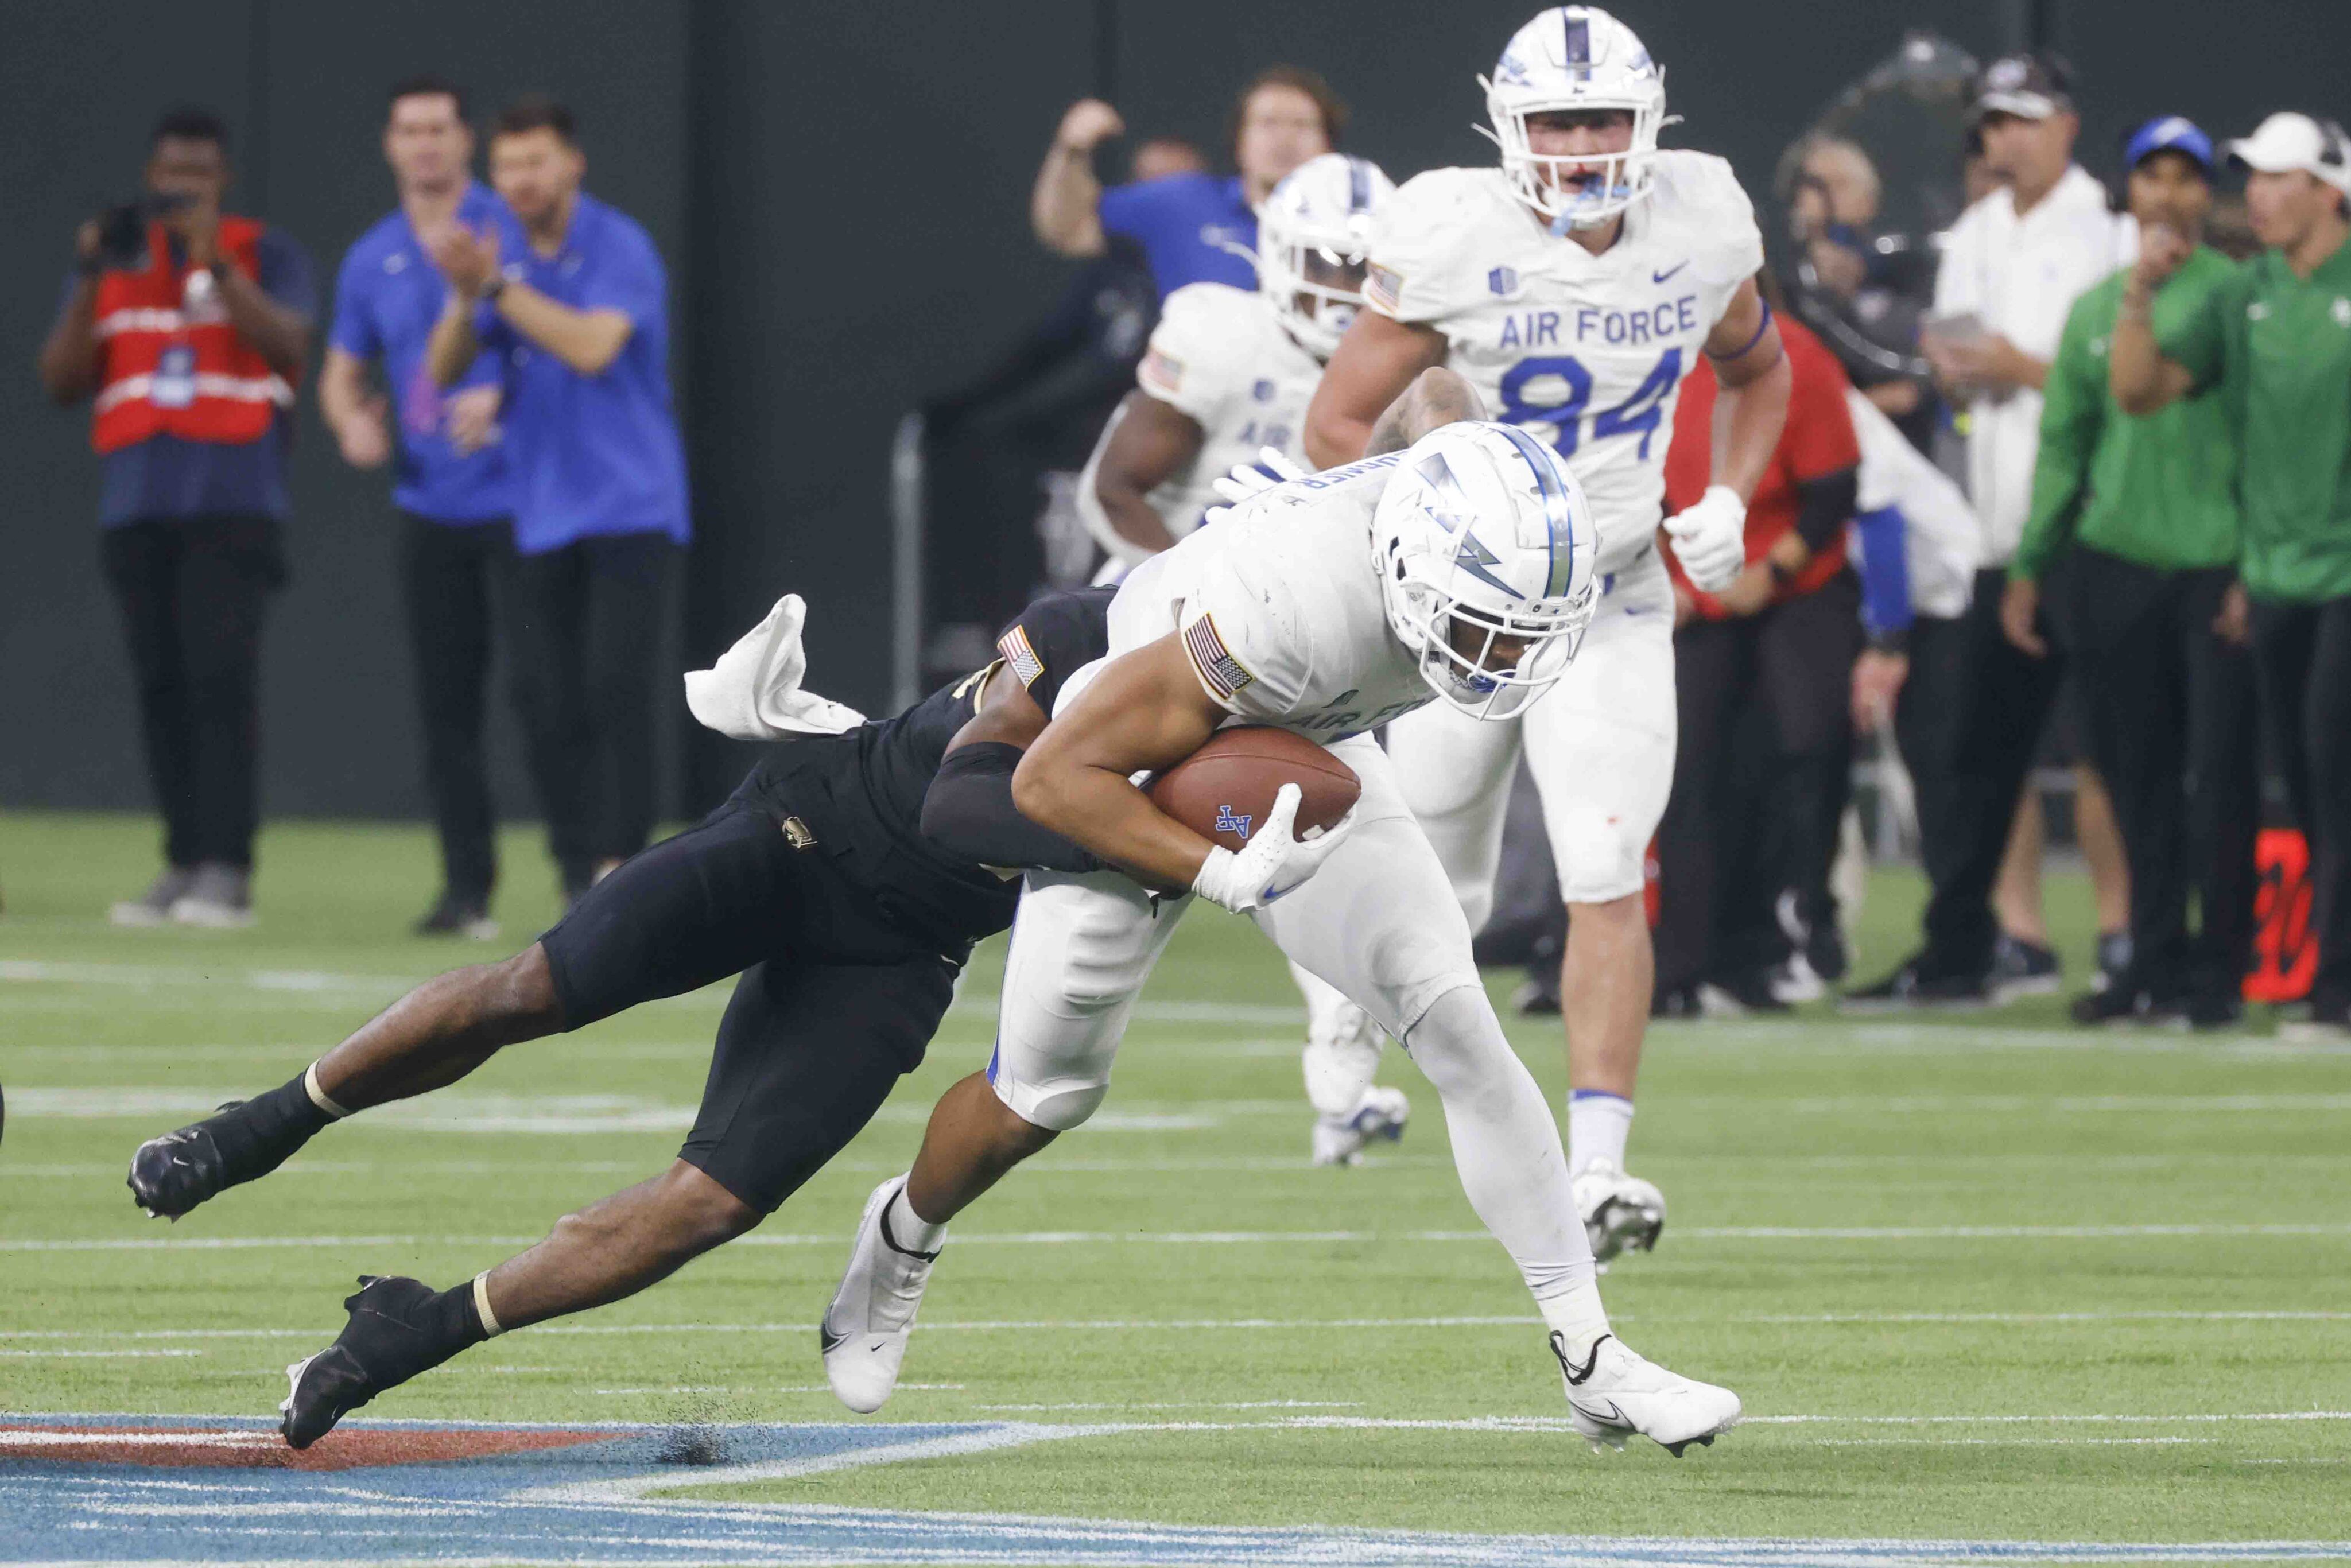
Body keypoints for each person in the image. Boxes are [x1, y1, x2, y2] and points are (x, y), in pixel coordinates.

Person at [821, 385, 1744, 1457]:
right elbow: (1052, 780)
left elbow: (1434, 398)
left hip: (1302, 733)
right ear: (1406, 571)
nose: (1499, 661)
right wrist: (1219, 874)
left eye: (1518, 634)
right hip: (1132, 761)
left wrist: (1443, 429)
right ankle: (902, 1234)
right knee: (1043, 1094)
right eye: (1483, 628)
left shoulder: (1453, 507)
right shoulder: (1288, 605)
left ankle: (1593, 1359)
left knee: (1458, 1028)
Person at [122, 584, 1116, 1448]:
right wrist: (1168, 846)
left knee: (713, 1204)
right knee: (534, 989)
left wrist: (1206, 835)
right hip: (812, 825)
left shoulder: (1249, 728)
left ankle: (410, 1331)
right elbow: (963, 809)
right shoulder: (1091, 634)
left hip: (902, 946)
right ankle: (253, 1129)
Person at [1298, 5, 1787, 1263]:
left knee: (1604, 865)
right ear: (1506, 130)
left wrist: (1728, 489)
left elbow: (1757, 365)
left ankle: (1599, 1167)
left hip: (1616, 589)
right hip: (1466, 608)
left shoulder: (1699, 218)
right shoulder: (1454, 233)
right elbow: (1336, 422)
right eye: (1556, 121)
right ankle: (1344, 1031)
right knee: (1437, 876)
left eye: (1602, 119)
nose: (1579, 146)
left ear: (1649, 123)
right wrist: (1426, 528)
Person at [1075, 152, 1407, 1164]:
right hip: (1160, 619)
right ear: (1275, 255)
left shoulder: (1405, 357)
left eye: (1363, 271)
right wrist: (1192, 582)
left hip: (1297, 637)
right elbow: (1113, 488)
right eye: (1324, 266)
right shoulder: (1221, 331)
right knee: (1066, 835)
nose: (1343, 293)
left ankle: (1340, 1068)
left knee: (1307, 827)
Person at [1851, 53, 2136, 1008]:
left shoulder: (2111, 233)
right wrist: (1957, 369)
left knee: (2104, 747)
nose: (2003, 138)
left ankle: (2123, 938)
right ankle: (1987, 941)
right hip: (1984, 530)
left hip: (2089, 527)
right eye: (1992, 123)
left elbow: (2121, 388)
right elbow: (1958, 364)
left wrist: (2018, 364)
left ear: (2064, 125)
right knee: (1970, 751)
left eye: (2020, 119)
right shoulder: (1972, 230)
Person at [2004, 117, 2254, 1028]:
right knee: (2133, 777)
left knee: (2218, 778)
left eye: (2188, 179)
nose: (2171, 196)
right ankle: (2146, 960)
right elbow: (2065, 449)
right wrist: (2032, 564)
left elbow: (2263, 443)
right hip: (2112, 565)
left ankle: (2220, 973)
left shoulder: (2239, 295)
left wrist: (2250, 564)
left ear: (2204, 197)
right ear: (2132, 194)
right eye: (2155, 177)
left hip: (2214, 564)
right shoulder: (2094, 308)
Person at [38, 107, 316, 929]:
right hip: (137, 504)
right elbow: (60, 378)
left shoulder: (263, 251)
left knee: (219, 686)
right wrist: (91, 272)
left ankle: (227, 868)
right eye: (170, 175)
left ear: (222, 180)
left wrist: (217, 264)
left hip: (230, 505)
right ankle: (181, 861)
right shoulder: (116, 259)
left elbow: (291, 343)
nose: (181, 190)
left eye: (198, 176)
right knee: (160, 688)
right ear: (150, 176)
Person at [2111, 111, 2351, 1042]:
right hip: (2273, 573)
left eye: (2278, 178)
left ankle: (2336, 988)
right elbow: (2140, 391)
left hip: (2343, 574)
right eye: (2251, 176)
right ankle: (2323, 982)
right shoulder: (2243, 294)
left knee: (2335, 775)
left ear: (2329, 190)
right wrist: (2139, 291)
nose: (2256, 192)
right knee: (2300, 772)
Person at [425, 97, 690, 899]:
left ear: (572, 164)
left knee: (616, 687)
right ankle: (580, 871)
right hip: (540, 514)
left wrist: (496, 286)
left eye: (535, 162)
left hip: (631, 508)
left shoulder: (618, 245)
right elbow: (444, 368)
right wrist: (465, 295)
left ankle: (624, 866)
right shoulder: (500, 256)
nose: (520, 181)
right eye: (506, 166)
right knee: (544, 697)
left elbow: (590, 346)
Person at [320, 77, 525, 940]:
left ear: (466, 139)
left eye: (439, 128)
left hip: (525, 501)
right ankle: (465, 890)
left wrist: (504, 398)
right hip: (430, 505)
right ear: (390, 144)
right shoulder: (372, 256)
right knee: (448, 708)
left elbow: (560, 337)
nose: (426, 144)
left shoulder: (512, 225)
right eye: (410, 130)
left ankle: (589, 878)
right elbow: (342, 369)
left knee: (550, 694)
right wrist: (349, 420)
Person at [1652, 306, 1861, 1016]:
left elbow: (1835, 487)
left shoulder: (1795, 352)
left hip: (1795, 580)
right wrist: (1666, 579)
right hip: (1693, 586)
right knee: (1690, 770)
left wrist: (1770, 574)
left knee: (1802, 743)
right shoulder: (1652, 358)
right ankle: (1683, 959)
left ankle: (1791, 929)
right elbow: (1631, 484)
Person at [1031, 68, 1344, 298]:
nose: (1285, 138)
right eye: (1268, 123)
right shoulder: (1184, 202)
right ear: (1239, 142)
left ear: (1329, 145)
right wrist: (1070, 152)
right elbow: (1068, 228)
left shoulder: (1360, 224)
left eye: (1302, 125)